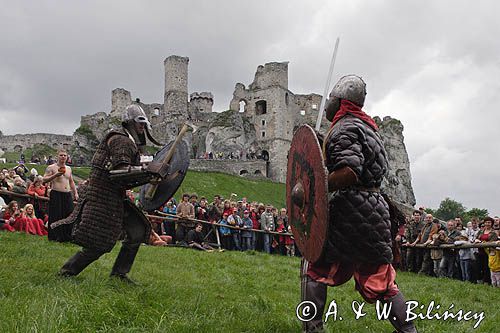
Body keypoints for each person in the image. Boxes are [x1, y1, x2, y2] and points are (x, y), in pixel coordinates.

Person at [300, 75, 416, 333]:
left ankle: (313, 329)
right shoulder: (368, 128)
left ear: (339, 101)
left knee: (315, 268)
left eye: (330, 100)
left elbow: (349, 172)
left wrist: (317, 185)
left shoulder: (344, 128)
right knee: (383, 281)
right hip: (374, 209)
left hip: (350, 209)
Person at [55, 104, 166, 283]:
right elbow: (120, 172)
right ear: (129, 122)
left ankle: (119, 274)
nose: (142, 127)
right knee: (99, 242)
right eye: (139, 123)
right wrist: (148, 171)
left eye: (143, 124)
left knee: (138, 230)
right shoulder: (120, 140)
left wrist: (150, 176)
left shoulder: (127, 141)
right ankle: (67, 272)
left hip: (115, 195)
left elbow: (126, 177)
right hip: (103, 196)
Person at [43, 149, 78, 242]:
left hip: (67, 194)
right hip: (56, 193)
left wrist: (75, 192)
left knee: (70, 214)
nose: (63, 157)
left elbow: (71, 181)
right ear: (57, 157)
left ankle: (68, 236)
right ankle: (55, 236)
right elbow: (44, 179)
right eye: (61, 155)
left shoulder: (69, 168)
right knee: (56, 215)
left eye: (65, 155)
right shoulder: (51, 167)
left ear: (67, 157)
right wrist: (55, 175)